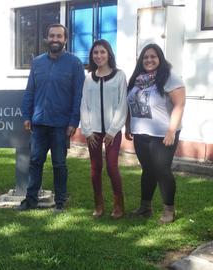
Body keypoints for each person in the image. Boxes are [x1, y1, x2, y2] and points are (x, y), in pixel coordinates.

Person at [18, 23, 85, 212]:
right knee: (35, 162)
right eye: (52, 36)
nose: (55, 39)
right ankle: (30, 200)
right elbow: (30, 90)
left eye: (59, 36)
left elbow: (78, 95)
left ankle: (61, 202)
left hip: (60, 125)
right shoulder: (38, 62)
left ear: (65, 39)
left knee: (59, 164)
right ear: (47, 38)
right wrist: (26, 115)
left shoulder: (75, 63)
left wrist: (73, 121)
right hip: (39, 123)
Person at [126, 43, 185, 224]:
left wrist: (171, 131)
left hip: (163, 135)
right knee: (148, 170)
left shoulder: (169, 78)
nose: (149, 60)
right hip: (140, 133)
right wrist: (128, 126)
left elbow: (179, 105)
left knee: (162, 170)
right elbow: (130, 104)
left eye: (153, 56)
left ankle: (169, 210)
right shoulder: (137, 79)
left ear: (160, 58)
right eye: (145, 57)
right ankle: (145, 207)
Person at [80, 40, 128, 219]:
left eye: (102, 52)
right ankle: (98, 204)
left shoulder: (119, 75)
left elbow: (122, 104)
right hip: (93, 131)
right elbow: (84, 104)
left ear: (109, 54)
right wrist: (87, 130)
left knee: (112, 167)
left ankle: (118, 205)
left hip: (111, 131)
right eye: (95, 53)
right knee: (95, 167)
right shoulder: (89, 77)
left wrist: (113, 130)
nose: (99, 56)